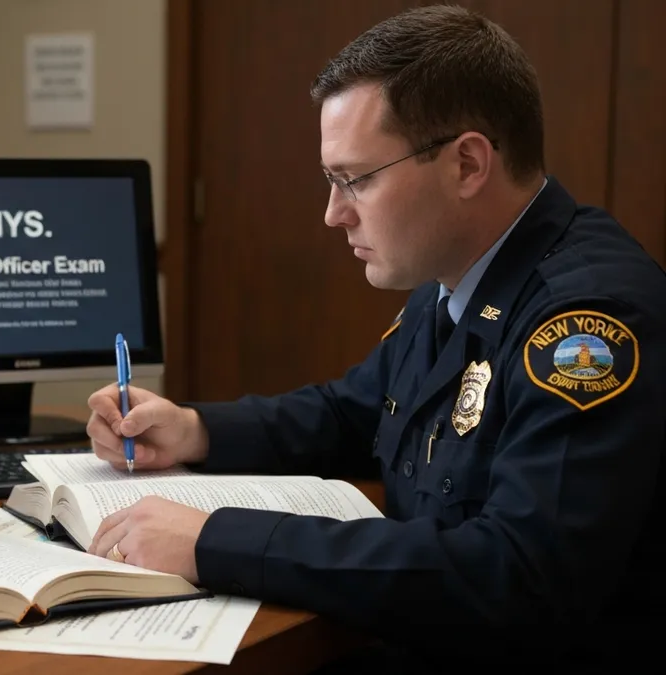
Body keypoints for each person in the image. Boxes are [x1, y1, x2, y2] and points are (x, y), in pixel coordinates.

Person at [84, 5, 664, 672]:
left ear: (468, 164)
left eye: (354, 179)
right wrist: (193, 429)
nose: (334, 213)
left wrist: (219, 540)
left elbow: (518, 575)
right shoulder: (453, 279)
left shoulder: (585, 323)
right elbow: (354, 410)